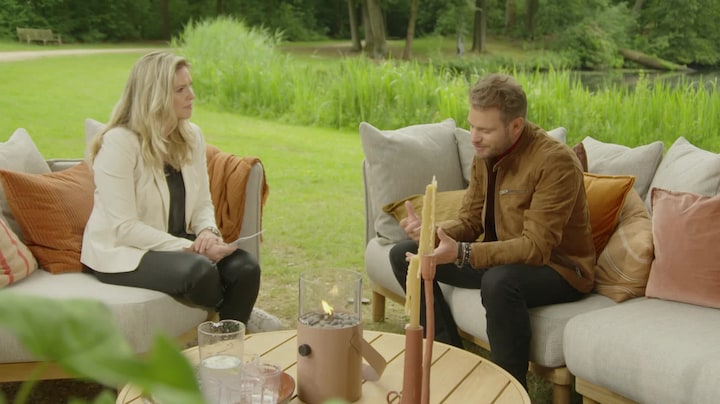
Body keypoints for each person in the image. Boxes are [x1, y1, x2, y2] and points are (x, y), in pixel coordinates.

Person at [390, 73, 595, 390]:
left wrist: (463, 253)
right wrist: (433, 233)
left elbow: (535, 248)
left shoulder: (556, 162)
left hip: (559, 268)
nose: (474, 137)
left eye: (484, 130)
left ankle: (510, 389)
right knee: (405, 255)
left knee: (499, 281)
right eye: (472, 126)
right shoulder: (484, 154)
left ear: (516, 126)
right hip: (500, 257)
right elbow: (471, 221)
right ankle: (450, 360)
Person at [81, 50, 262, 325]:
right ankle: (227, 330)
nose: (192, 95)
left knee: (246, 267)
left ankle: (227, 346)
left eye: (190, 86)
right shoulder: (119, 143)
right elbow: (125, 227)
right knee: (200, 271)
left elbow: (202, 203)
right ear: (154, 97)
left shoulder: (191, 136)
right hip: (124, 250)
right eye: (180, 89)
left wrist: (208, 233)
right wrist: (192, 248)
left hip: (172, 241)